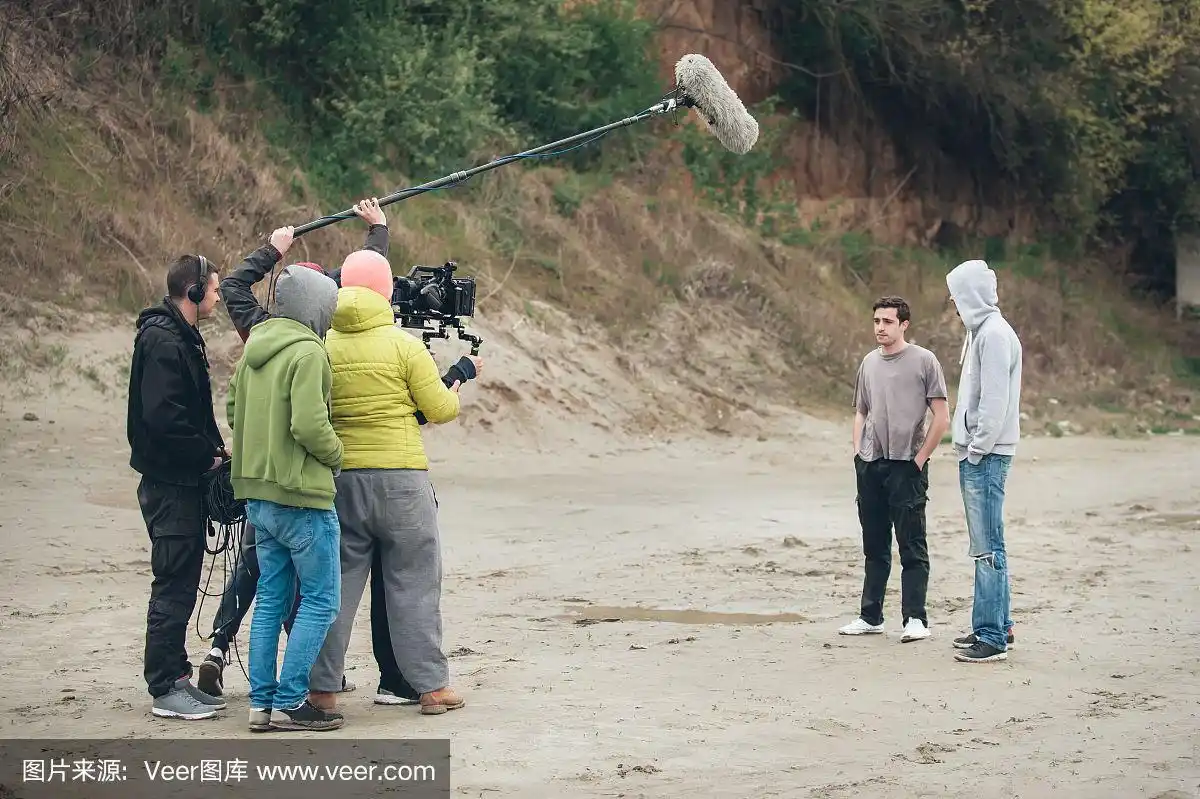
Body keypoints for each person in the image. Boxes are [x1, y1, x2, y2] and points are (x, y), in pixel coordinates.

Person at [196, 218, 381, 699]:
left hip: (255, 479)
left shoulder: (256, 332)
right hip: (301, 482)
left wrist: (271, 251)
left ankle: (223, 653)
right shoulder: (313, 347)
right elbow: (368, 281)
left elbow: (235, 284)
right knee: (314, 591)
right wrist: (376, 233)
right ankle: (308, 684)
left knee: (257, 574)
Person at [307, 248, 480, 717]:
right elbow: (440, 409)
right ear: (387, 291)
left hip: (341, 479)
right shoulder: (403, 344)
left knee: (335, 589)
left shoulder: (322, 344)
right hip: (402, 479)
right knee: (415, 584)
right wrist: (456, 385)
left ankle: (321, 692)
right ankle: (430, 687)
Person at [226, 253, 346, 731]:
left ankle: (261, 704)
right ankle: (293, 701)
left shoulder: (257, 344)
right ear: (318, 307)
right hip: (303, 499)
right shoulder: (310, 352)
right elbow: (310, 424)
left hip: (259, 497)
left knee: (271, 599)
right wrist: (337, 454)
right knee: (321, 599)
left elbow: (234, 409)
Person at [127, 252, 229, 720]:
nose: (217, 295)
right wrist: (205, 454)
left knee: (183, 584)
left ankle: (178, 675)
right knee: (172, 586)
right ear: (192, 292)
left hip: (180, 481)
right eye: (212, 287)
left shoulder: (179, 335)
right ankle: (165, 686)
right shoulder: (165, 341)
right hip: (170, 485)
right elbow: (163, 419)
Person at [839, 296, 950, 643]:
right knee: (874, 544)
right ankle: (870, 616)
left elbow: (941, 416)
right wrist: (859, 453)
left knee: (912, 544)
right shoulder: (869, 363)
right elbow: (861, 411)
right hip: (871, 465)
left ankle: (915, 618)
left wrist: (919, 459)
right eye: (876, 321)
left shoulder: (924, 361)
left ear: (904, 324)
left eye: (887, 322)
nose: (880, 328)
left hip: (907, 466)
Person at [945, 260, 1023, 664]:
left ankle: (991, 636)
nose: (953, 305)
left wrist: (976, 448)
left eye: (956, 296)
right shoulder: (983, 332)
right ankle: (997, 625)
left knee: (986, 548)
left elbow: (995, 401)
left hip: (986, 455)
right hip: (982, 452)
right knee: (991, 544)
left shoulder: (993, 335)